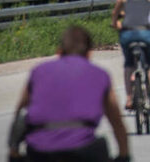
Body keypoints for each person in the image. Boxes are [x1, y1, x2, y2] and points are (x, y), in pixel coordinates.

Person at [9, 26, 129, 162]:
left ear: (59, 52)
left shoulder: (38, 71)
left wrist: (13, 152)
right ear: (89, 54)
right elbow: (116, 121)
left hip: (40, 151)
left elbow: (20, 112)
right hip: (83, 150)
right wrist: (124, 156)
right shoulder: (100, 75)